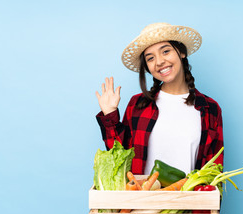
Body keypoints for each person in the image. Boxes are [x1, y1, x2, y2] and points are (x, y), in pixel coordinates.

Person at [95, 22, 224, 175]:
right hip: (142, 197)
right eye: (150, 58)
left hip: (189, 198)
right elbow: (119, 159)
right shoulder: (138, 104)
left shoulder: (210, 108)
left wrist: (209, 198)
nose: (159, 62)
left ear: (181, 52)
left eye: (166, 51)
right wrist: (110, 115)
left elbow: (214, 171)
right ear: (147, 67)